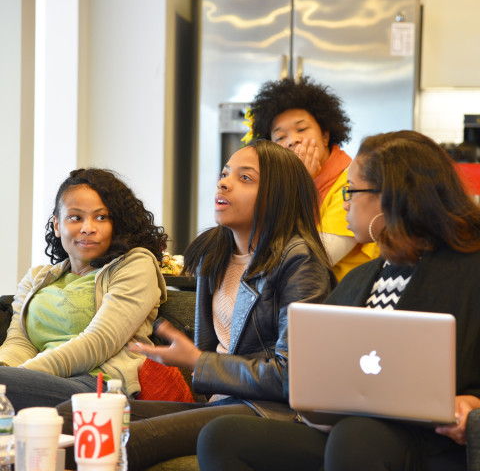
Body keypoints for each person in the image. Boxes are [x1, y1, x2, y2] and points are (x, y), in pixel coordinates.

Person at [195, 130, 480, 471]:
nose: (343, 202)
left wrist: (473, 405)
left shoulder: (469, 271)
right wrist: (319, 406)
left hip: (431, 441)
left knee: (357, 436)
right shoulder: (360, 280)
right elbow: (315, 371)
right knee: (222, 437)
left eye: (351, 190)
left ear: (389, 197)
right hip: (349, 430)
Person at [59, 139, 335, 470]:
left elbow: (291, 377)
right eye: (225, 173)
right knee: (69, 417)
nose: (223, 182)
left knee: (124, 437)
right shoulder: (213, 255)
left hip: (269, 411)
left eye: (244, 178)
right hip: (221, 404)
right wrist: (192, 357)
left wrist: (198, 361)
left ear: (278, 195)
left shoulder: (299, 260)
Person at [0, 168, 168, 410]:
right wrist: (8, 371)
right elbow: (19, 342)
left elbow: (99, 342)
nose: (88, 227)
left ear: (116, 224)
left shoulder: (135, 265)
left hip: (98, 385)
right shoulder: (37, 278)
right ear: (58, 225)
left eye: (101, 217)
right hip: (34, 380)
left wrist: (19, 377)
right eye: (76, 217)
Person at [246, 76, 379, 281]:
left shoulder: (351, 183)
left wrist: (299, 185)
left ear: (325, 135)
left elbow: (308, 262)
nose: (293, 140)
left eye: (301, 129)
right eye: (280, 137)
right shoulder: (276, 188)